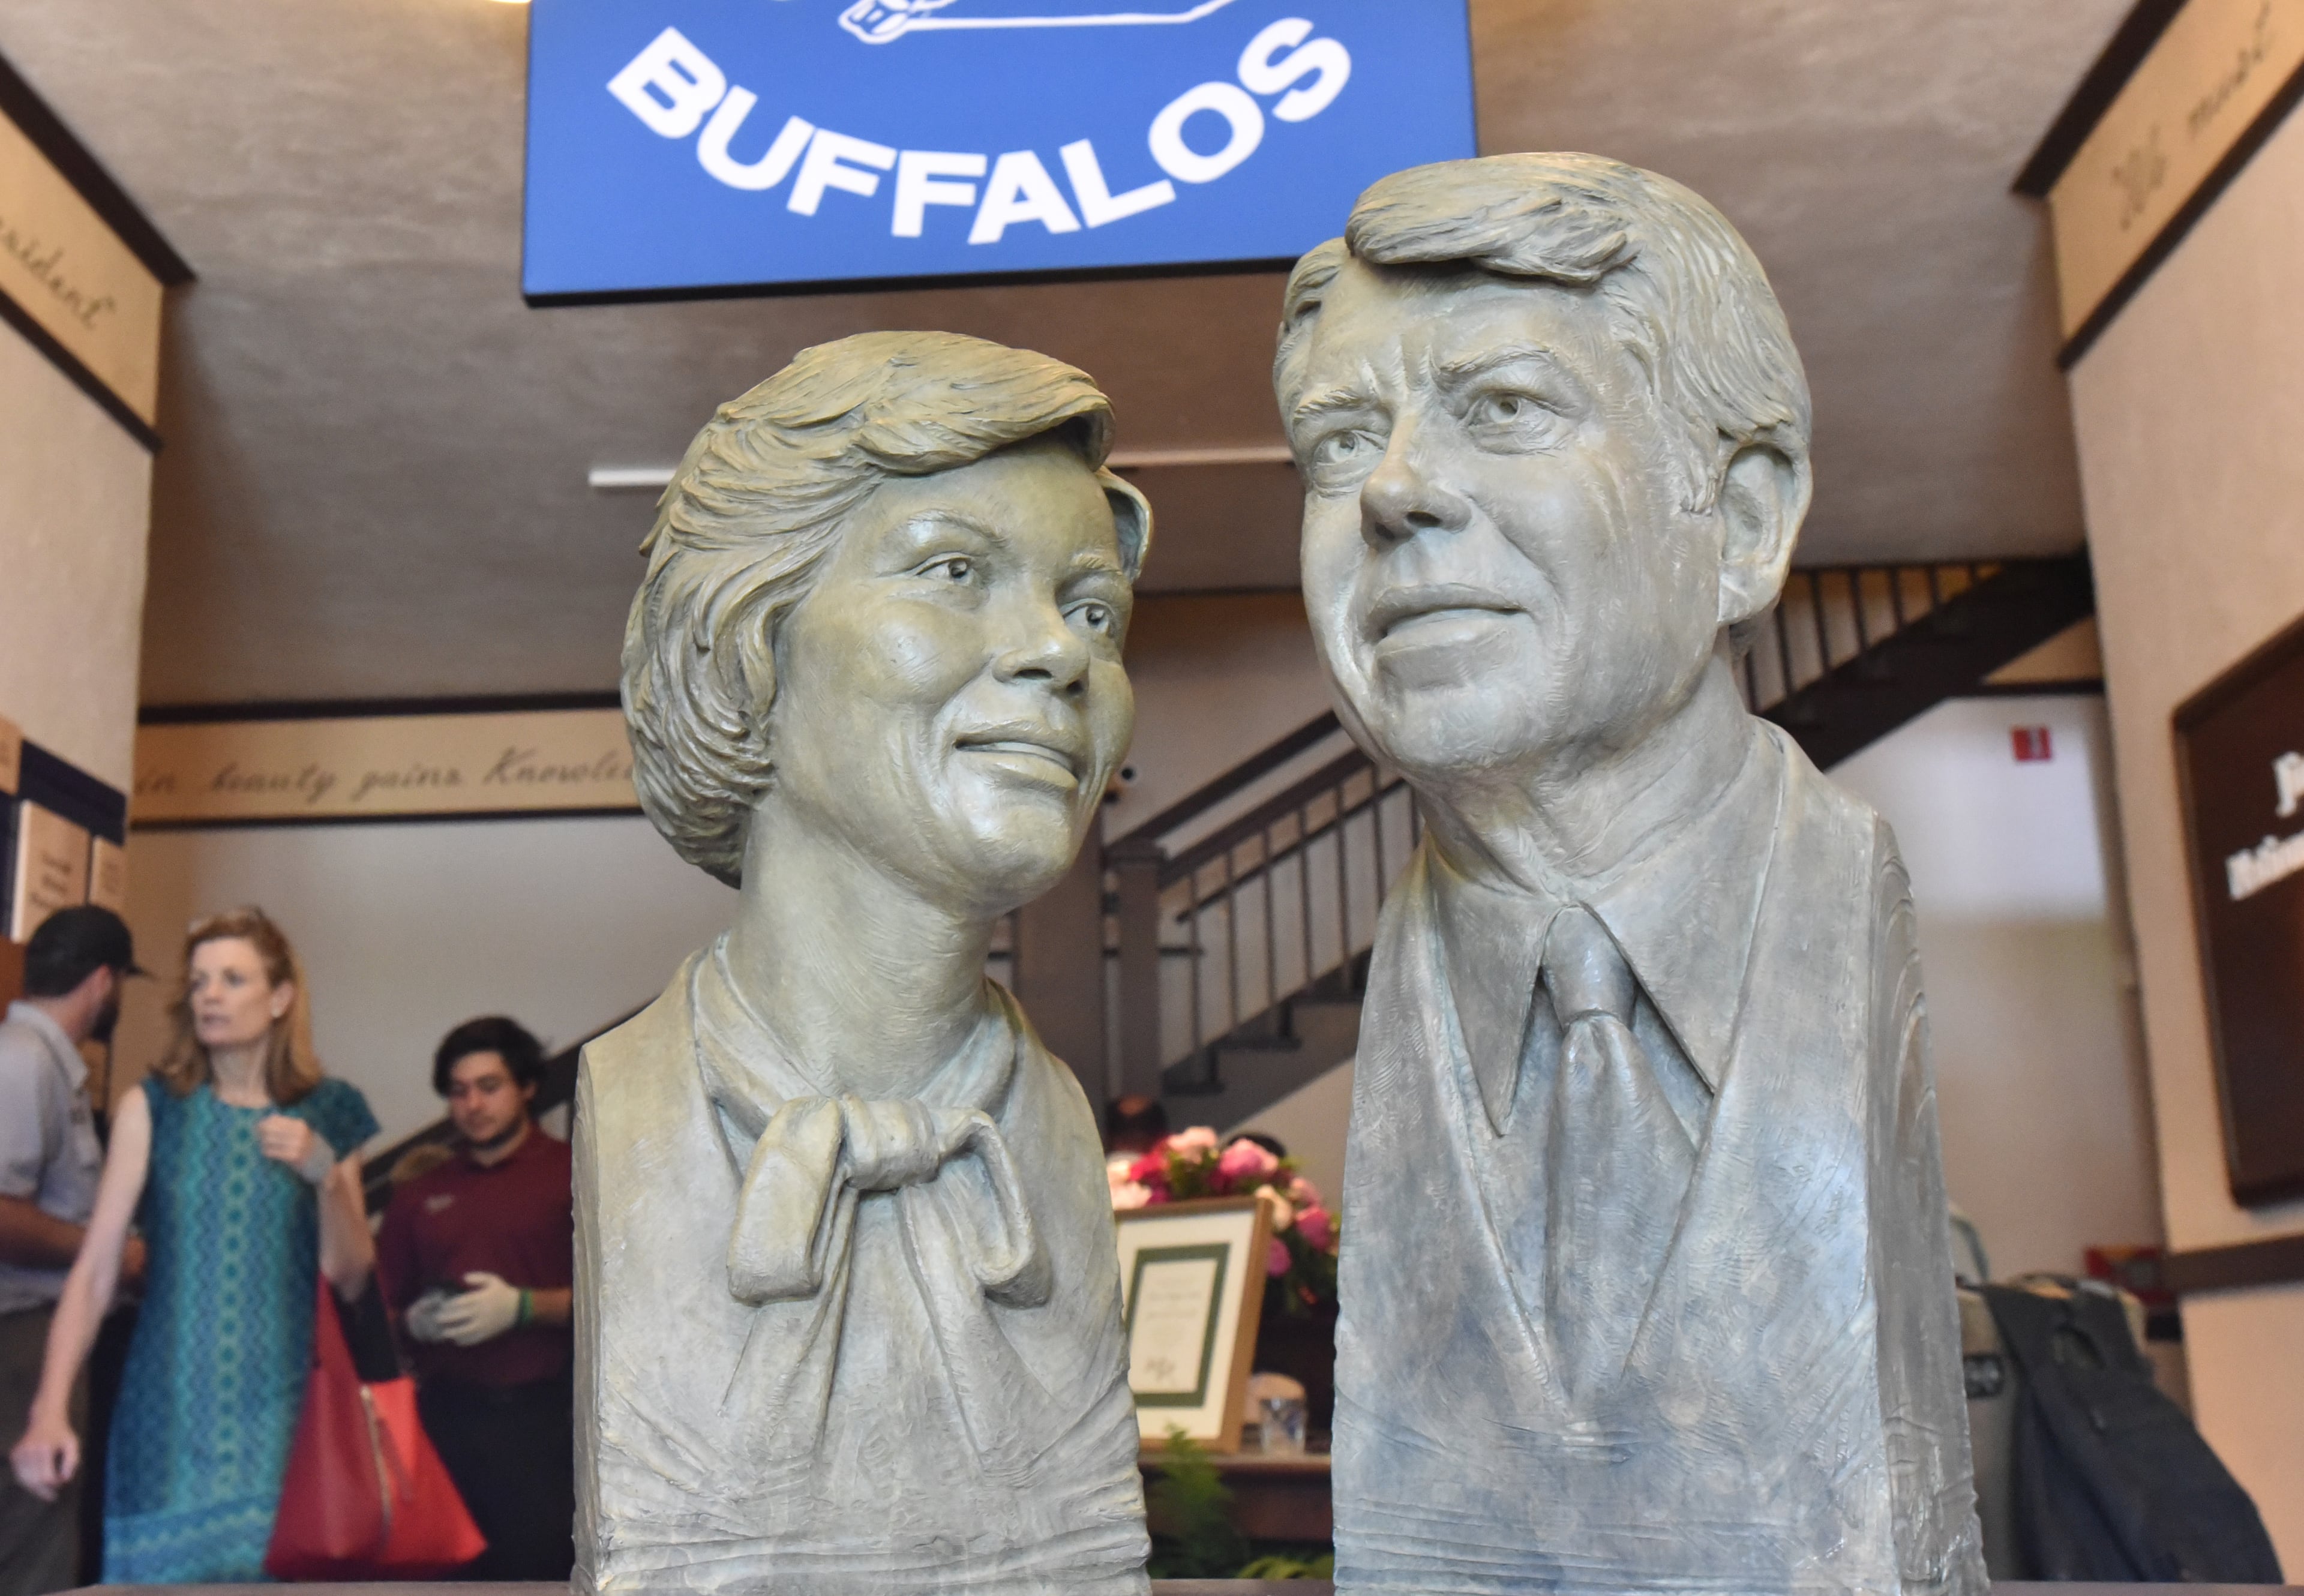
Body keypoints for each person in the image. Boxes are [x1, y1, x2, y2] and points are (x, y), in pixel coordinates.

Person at [1273, 154, 1984, 1594]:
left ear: (1739, 519)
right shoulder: (1402, 986)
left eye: (1507, 409)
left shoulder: (1835, 910)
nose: (1395, 491)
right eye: (1341, 440)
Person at [580, 332, 1153, 1594]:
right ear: (749, 647)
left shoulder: (1048, 1134)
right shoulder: (626, 1109)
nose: (1064, 653)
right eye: (956, 570)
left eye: (1092, 607)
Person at [8, 907, 377, 1582]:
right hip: (166, 1407)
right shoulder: (154, 1107)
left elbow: (351, 1273)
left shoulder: (329, 1109)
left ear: (280, 997)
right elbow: (94, 1272)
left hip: (284, 1410)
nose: (210, 993)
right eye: (201, 979)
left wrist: (325, 1172)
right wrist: (49, 1408)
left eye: (233, 978)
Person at [377, 1016, 573, 1580]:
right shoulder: (421, 1193)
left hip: (541, 1421)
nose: (473, 1105)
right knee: (444, 1578)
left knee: (537, 1575)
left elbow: (620, 1301)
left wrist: (525, 1308)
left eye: (490, 1086)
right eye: (459, 1091)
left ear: (527, 1087)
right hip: (443, 1420)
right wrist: (413, 1324)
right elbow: (382, 1310)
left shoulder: (570, 1173)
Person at [0, 908, 143, 1596]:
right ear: (103, 981)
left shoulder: (50, 1064)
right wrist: (111, 1250)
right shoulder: (24, 1061)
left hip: (36, 1332)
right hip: (22, 1332)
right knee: (32, 1536)